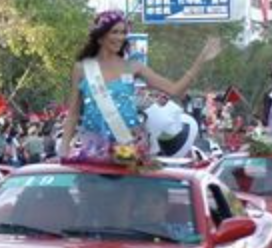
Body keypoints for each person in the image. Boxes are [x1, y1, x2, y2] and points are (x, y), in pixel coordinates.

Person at [60, 11, 220, 160]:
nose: (120, 37)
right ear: (100, 36)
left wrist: (201, 60)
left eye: (123, 32)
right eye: (114, 32)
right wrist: (64, 149)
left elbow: (175, 90)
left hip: (129, 149)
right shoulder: (82, 68)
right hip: (94, 148)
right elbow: (73, 114)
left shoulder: (133, 67)